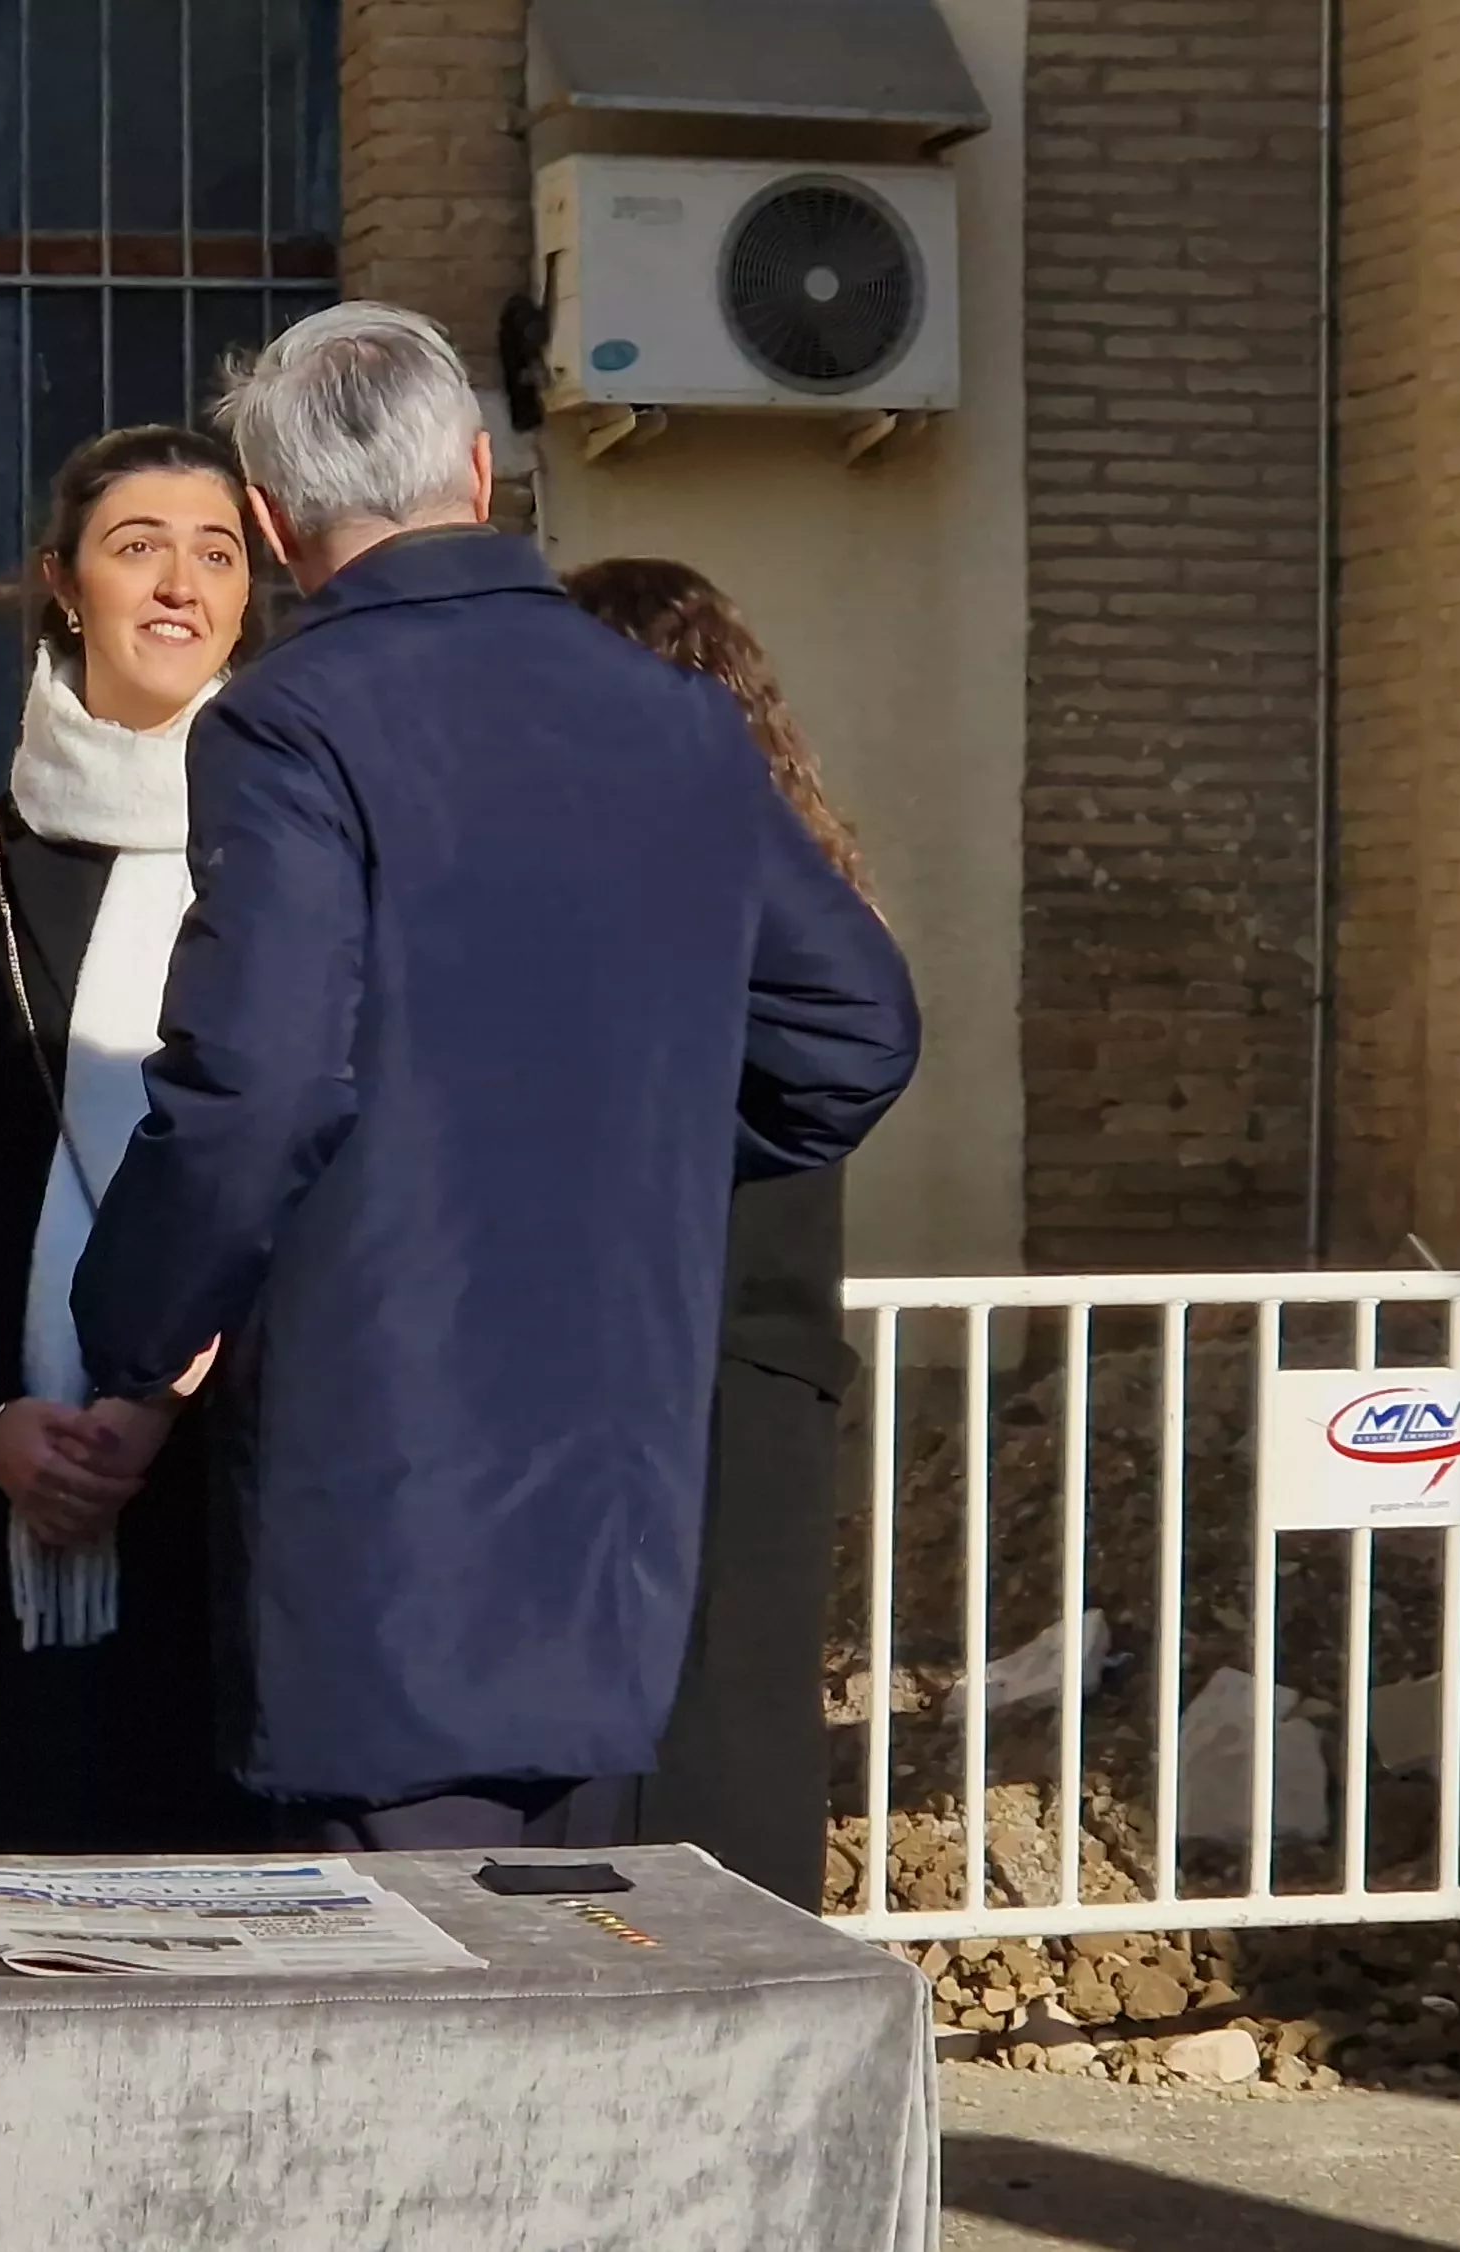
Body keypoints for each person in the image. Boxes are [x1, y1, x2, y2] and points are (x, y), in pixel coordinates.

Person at [67, 303, 921, 1853]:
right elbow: (855, 1033)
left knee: (396, 2020)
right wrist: (636, 1143)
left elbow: (255, 1082)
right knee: (572, 1997)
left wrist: (128, 1328)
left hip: (378, 1489)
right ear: (478, 468)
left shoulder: (292, 721)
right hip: (616, 1494)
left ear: (270, 518)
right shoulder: (674, 714)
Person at [0, 425, 272, 1852]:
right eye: (140, 548)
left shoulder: (298, 843)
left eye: (218, 551)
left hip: (245, 1464)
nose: (180, 583)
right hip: (35, 1477)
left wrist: (166, 1384)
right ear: (64, 586)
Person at [569, 557, 875, 1911]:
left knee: (687, 1753)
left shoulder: (662, 894)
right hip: (762, 1363)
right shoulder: (808, 887)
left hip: (694, 1356)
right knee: (735, 1734)